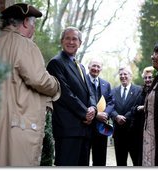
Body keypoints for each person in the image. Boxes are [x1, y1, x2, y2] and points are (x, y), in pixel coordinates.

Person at [0, 3, 60, 166]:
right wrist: (56, 85)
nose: (33, 29)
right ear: (25, 22)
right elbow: (39, 79)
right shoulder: (24, 44)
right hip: (16, 128)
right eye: (33, 24)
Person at [46, 26, 97, 166]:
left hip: (85, 130)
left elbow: (90, 91)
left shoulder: (81, 66)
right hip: (68, 130)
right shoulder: (56, 63)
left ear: (80, 43)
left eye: (74, 39)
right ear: (61, 41)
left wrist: (93, 107)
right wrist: (85, 112)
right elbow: (65, 93)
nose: (71, 42)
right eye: (67, 38)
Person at [110, 66, 142, 166]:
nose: (123, 76)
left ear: (130, 76)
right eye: (121, 74)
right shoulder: (113, 91)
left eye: (125, 74)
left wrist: (125, 117)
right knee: (120, 163)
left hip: (133, 133)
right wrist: (116, 116)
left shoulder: (139, 90)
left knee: (137, 162)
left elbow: (137, 106)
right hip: (119, 134)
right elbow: (109, 106)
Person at [86, 58, 114, 166]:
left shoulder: (106, 84)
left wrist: (106, 113)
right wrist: (96, 115)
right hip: (86, 126)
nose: (96, 68)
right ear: (88, 67)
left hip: (101, 128)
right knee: (83, 158)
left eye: (98, 66)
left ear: (101, 69)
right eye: (93, 66)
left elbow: (111, 102)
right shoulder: (83, 81)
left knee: (100, 160)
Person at [131, 66, 154, 166]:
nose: (147, 80)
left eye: (150, 77)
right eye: (145, 78)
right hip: (140, 131)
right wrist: (138, 108)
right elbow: (132, 109)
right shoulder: (140, 92)